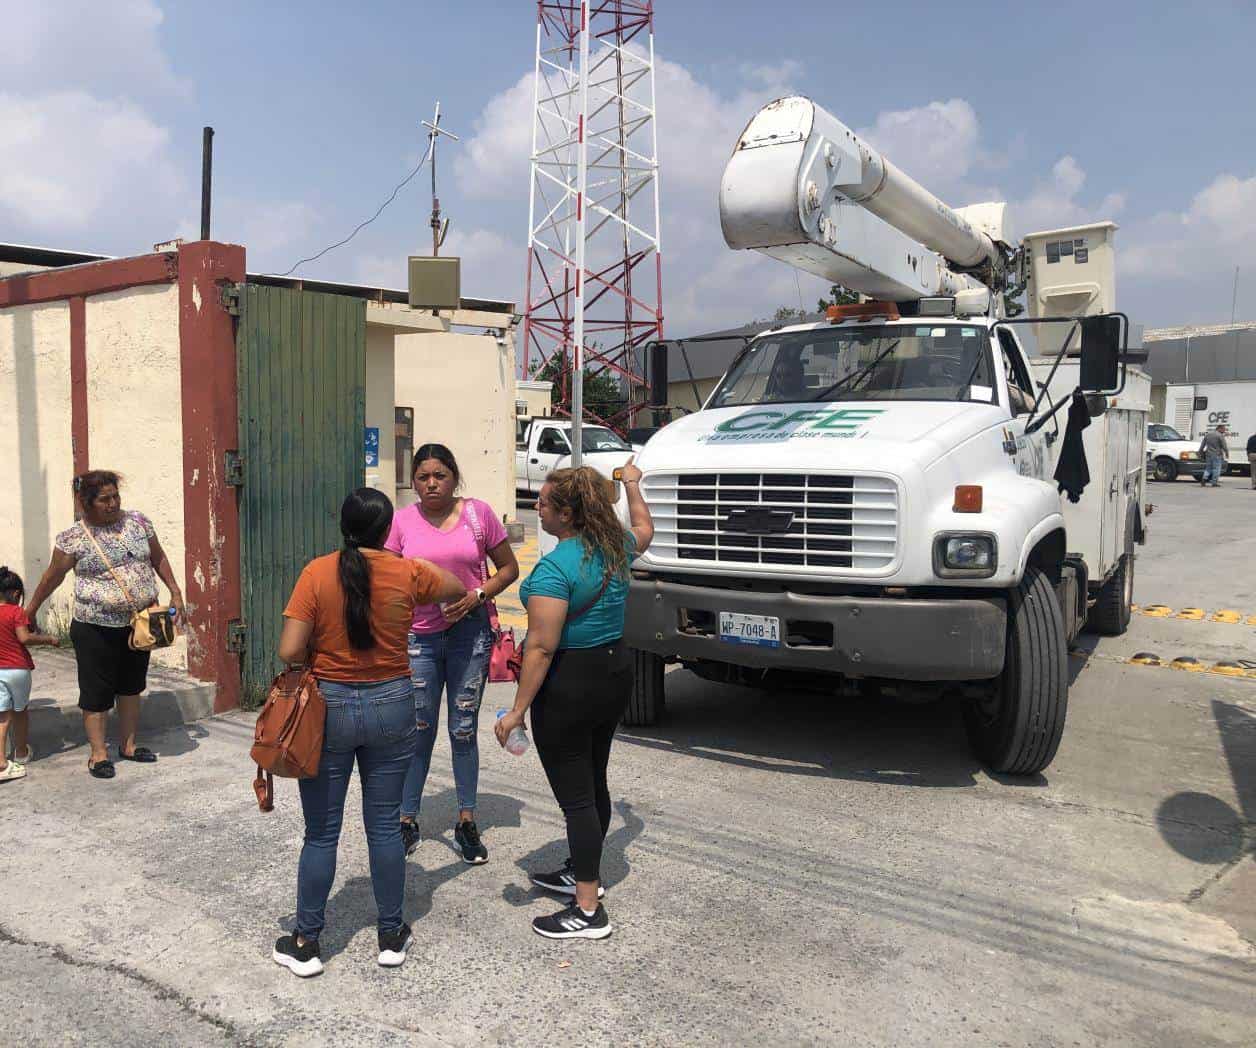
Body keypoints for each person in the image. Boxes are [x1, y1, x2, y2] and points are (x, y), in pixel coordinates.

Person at [272, 488, 464, 978]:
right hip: (393, 702)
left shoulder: (317, 572)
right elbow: (453, 585)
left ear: (344, 526)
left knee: (321, 833)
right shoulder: (407, 572)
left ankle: (307, 941)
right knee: (383, 828)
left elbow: (289, 650)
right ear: (386, 532)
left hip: (330, 708)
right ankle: (391, 935)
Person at [495, 460, 653, 940]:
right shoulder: (616, 546)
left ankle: (587, 909)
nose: (536, 506)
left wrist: (518, 711)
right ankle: (586, 871)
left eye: (544, 502)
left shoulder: (554, 570)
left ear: (567, 514)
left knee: (577, 797)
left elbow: (541, 647)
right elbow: (644, 527)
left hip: (571, 682)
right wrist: (631, 485)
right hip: (614, 673)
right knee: (594, 778)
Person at [385, 444, 520, 864]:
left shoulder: (479, 515)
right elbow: (388, 577)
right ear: (414, 481)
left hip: (470, 637)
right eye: (423, 477)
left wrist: (478, 594)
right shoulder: (401, 521)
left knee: (463, 730)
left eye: (439, 475)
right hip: (419, 641)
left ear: (453, 476)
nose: (431, 484)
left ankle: (466, 820)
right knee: (419, 729)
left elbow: (509, 569)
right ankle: (407, 820)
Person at [25, 471, 186, 780]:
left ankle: (128, 745)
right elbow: (52, 576)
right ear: (87, 502)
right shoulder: (73, 538)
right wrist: (31, 609)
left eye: (116, 497)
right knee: (96, 691)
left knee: (131, 685)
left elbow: (158, 557)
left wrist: (175, 591)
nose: (113, 504)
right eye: (104, 499)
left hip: (141, 623)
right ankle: (98, 754)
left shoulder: (138, 522)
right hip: (95, 627)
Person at [0, 567, 59, 782]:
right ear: (16, 594)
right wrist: (48, 639)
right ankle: (22, 752)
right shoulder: (16, 612)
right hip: (17, 669)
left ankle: (1, 761)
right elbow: (24, 638)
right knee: (20, 711)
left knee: (2, 715)